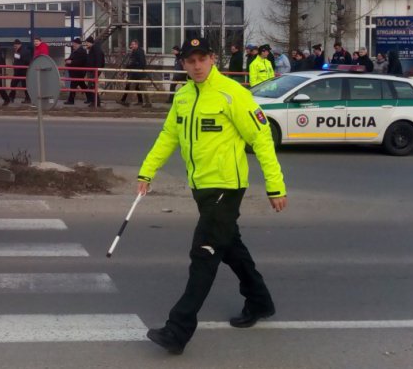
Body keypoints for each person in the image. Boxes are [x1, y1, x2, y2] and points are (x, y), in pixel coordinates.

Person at [139, 37, 287, 356]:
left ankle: (177, 330)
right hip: (201, 188)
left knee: (203, 254)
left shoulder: (233, 94)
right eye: (190, 61)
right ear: (183, 64)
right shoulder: (183, 96)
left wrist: (275, 186)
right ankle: (260, 301)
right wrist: (146, 172)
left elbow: (261, 139)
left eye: (202, 59)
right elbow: (168, 136)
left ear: (212, 59)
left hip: (226, 188)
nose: (196, 66)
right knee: (230, 246)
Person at [119, 39, 150, 107]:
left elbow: (142, 63)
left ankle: (148, 103)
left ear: (136, 45)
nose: (131, 46)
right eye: (131, 44)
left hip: (140, 74)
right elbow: (130, 63)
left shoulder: (140, 52)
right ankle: (127, 102)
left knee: (143, 88)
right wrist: (126, 70)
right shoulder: (133, 52)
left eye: (133, 44)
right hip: (135, 73)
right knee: (131, 87)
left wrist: (135, 67)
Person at [64, 38, 89, 105]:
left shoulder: (82, 52)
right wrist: (67, 60)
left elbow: (80, 61)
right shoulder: (75, 51)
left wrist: (71, 62)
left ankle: (71, 100)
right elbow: (71, 58)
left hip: (78, 72)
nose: (73, 45)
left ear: (78, 44)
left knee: (73, 86)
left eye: (74, 43)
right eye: (73, 43)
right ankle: (91, 98)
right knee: (83, 85)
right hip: (75, 72)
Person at [84, 36, 105, 107]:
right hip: (92, 70)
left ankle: (96, 102)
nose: (86, 44)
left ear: (90, 42)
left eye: (87, 43)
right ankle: (95, 101)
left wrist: (96, 71)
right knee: (91, 86)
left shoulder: (95, 49)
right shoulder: (93, 49)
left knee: (92, 86)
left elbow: (98, 61)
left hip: (94, 71)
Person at [9, 39, 32, 104]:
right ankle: (12, 97)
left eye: (16, 45)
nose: (14, 47)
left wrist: (17, 62)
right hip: (18, 71)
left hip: (22, 71)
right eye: (14, 46)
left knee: (23, 85)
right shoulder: (17, 51)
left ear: (19, 45)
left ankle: (27, 98)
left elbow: (26, 61)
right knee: (14, 84)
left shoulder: (24, 51)